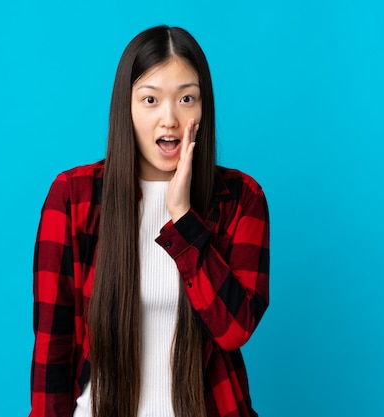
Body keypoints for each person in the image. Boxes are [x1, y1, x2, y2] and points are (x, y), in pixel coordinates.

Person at [29, 25, 270, 417]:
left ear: (204, 108)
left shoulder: (241, 198)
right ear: (126, 107)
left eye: (186, 98)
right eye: (150, 99)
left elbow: (234, 329)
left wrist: (184, 218)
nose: (170, 119)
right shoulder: (74, 196)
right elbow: (52, 348)